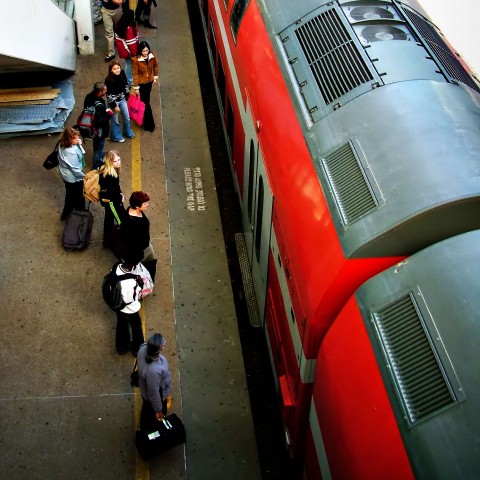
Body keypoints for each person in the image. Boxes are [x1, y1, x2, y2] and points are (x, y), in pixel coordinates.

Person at [137, 333, 172, 430]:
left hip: (144, 391)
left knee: (146, 410)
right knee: (151, 415)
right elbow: (153, 392)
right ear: (159, 349)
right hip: (156, 397)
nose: (164, 342)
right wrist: (158, 410)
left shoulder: (143, 348)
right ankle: (150, 430)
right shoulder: (154, 371)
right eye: (162, 343)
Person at [123, 191, 157, 281]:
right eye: (145, 203)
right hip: (139, 250)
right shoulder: (133, 223)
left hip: (144, 245)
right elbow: (132, 241)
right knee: (147, 265)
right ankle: (147, 281)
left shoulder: (132, 210)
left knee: (151, 260)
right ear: (137, 206)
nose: (147, 204)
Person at [114, 258, 145, 356]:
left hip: (119, 307)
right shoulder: (131, 281)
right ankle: (137, 349)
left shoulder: (116, 268)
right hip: (131, 309)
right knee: (137, 328)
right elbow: (133, 296)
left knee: (121, 326)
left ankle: (121, 348)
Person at [57, 127, 86, 220]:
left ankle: (68, 213)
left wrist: (78, 144)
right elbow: (75, 169)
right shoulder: (70, 153)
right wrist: (85, 176)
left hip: (65, 173)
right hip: (72, 176)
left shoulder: (62, 144)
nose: (77, 139)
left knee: (70, 193)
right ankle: (78, 211)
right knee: (74, 194)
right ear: (69, 139)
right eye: (75, 138)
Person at [98, 150, 125, 248]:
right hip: (112, 201)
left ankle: (107, 241)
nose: (118, 162)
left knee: (108, 219)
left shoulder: (105, 168)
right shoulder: (111, 175)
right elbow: (113, 191)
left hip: (107, 200)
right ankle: (119, 240)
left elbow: (115, 187)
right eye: (115, 161)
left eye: (119, 160)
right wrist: (120, 197)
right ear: (110, 162)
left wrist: (120, 193)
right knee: (120, 220)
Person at [83, 82, 113, 170]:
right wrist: (109, 114)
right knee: (99, 149)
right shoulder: (99, 105)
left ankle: (98, 160)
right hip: (99, 130)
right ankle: (96, 167)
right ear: (100, 92)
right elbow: (101, 121)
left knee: (97, 145)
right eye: (105, 90)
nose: (106, 91)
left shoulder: (89, 96)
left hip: (90, 126)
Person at [132, 41, 159, 132]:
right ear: (140, 51)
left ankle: (145, 121)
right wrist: (136, 87)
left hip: (149, 83)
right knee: (146, 103)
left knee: (145, 102)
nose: (145, 53)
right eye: (143, 51)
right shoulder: (135, 60)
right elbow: (135, 74)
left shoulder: (152, 55)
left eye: (146, 50)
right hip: (141, 84)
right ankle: (150, 124)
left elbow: (155, 65)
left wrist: (155, 76)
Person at [105, 60, 135, 142]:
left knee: (127, 117)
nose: (117, 70)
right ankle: (116, 136)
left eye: (118, 68)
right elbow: (109, 95)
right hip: (114, 102)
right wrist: (114, 106)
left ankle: (127, 132)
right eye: (114, 69)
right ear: (111, 70)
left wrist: (127, 96)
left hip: (122, 99)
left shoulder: (122, 73)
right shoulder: (108, 80)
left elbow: (126, 85)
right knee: (114, 120)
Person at [114, 9, 139, 86]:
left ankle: (129, 79)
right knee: (129, 64)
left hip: (124, 49)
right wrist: (135, 53)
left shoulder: (121, 24)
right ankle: (130, 81)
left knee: (128, 63)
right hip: (129, 50)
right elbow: (131, 43)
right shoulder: (129, 28)